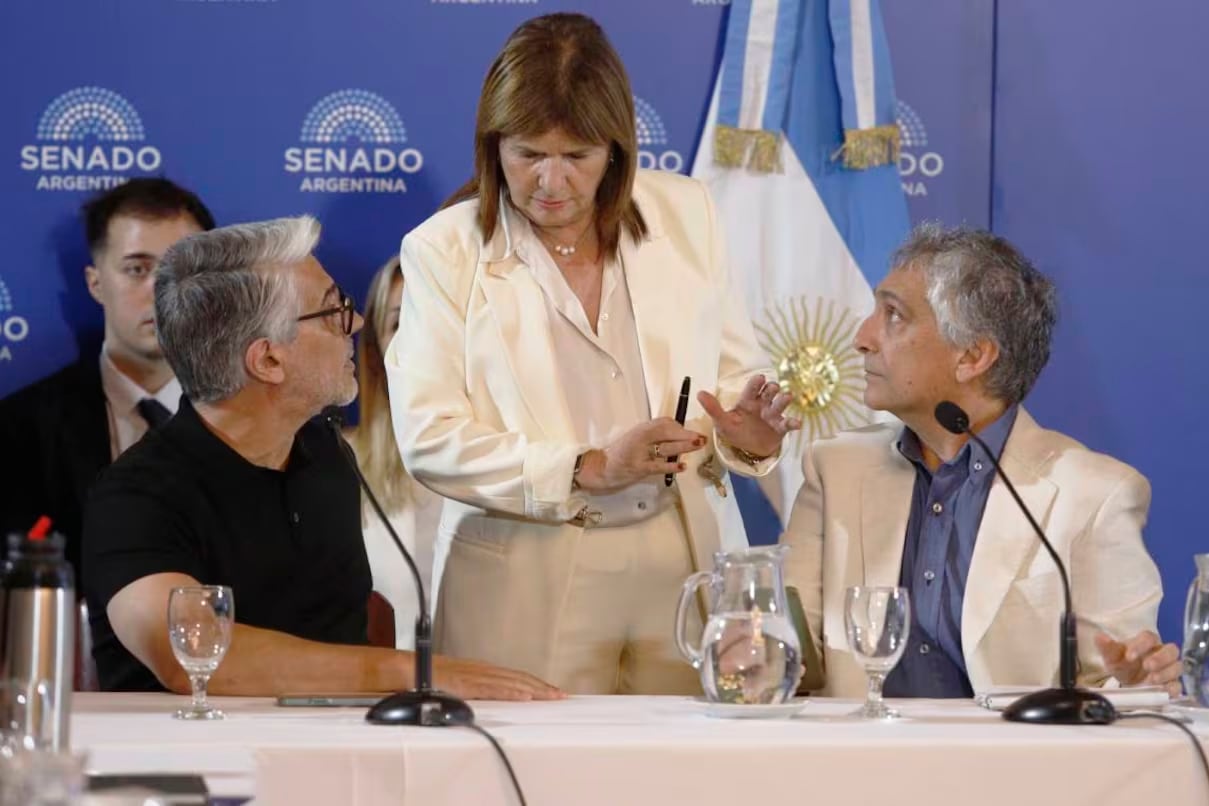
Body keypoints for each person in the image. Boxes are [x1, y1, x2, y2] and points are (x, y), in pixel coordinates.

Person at [385, 12, 800, 695]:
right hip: (523, 566)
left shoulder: (687, 212)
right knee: (529, 758)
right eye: (528, 154)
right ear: (492, 145)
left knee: (690, 758)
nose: (551, 182)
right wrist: (587, 467)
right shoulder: (442, 249)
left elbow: (731, 380)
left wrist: (748, 438)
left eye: (576, 156)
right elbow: (429, 438)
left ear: (616, 149)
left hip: (684, 557)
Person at [82, 215, 561, 701]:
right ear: (268, 360)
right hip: (187, 747)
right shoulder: (134, 496)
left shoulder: (326, 456)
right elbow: (191, 655)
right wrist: (410, 671)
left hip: (340, 740)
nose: (356, 324)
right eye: (333, 311)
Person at [780, 223, 1182, 698]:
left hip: (1013, 747)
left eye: (893, 316)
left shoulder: (1096, 496)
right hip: (862, 744)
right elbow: (791, 653)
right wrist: (759, 650)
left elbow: (1117, 680)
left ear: (972, 356)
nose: (862, 338)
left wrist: (1136, 683)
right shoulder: (835, 469)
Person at [0, 178, 213, 574]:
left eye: (181, 269)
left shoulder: (260, 424)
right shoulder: (19, 432)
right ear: (95, 284)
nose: (161, 290)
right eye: (137, 269)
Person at [349, 256, 443, 649]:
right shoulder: (338, 464)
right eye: (400, 323)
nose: (419, 340)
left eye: (434, 319)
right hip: (379, 682)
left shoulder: (513, 462)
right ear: (374, 354)